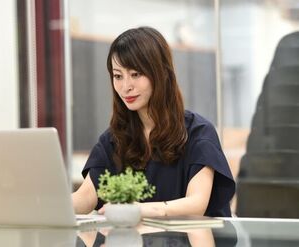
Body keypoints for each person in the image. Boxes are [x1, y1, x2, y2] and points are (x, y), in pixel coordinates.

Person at [72, 26, 235, 217]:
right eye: (118, 76)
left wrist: (138, 210)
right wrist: (46, 205)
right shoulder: (113, 139)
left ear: (161, 74)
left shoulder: (199, 133)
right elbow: (86, 197)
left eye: (135, 74)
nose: (126, 87)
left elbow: (196, 203)